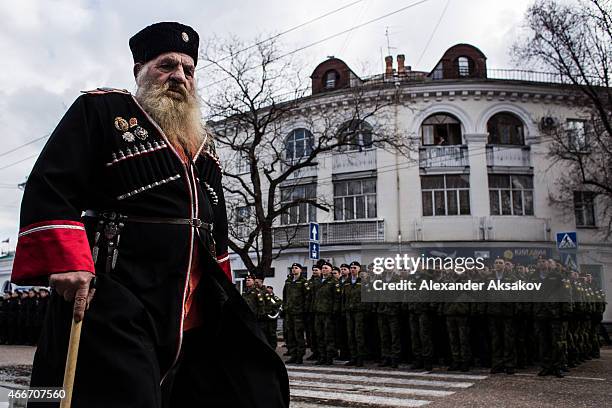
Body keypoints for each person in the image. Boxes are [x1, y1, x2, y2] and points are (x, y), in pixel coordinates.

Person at [10, 22, 288, 408]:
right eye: (167, 65)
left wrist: (221, 292)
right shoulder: (102, 109)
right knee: (121, 396)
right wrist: (68, 261)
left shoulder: (202, 145)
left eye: (188, 70)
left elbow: (217, 233)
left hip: (189, 305)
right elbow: (52, 183)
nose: (179, 76)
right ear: (139, 69)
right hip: (116, 294)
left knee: (247, 386)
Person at [283, 263, 308, 364]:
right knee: (290, 334)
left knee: (298, 334)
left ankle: (300, 355)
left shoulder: (303, 282)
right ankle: (293, 354)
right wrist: (285, 307)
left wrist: (304, 310)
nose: (294, 270)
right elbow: (285, 295)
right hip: (289, 312)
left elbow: (306, 297)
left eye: (296, 268)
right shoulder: (288, 281)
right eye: (292, 268)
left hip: (299, 313)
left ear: (301, 270)